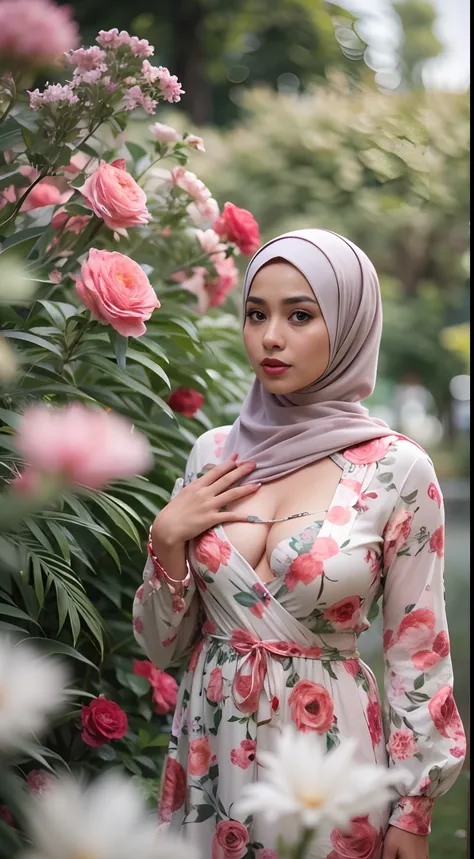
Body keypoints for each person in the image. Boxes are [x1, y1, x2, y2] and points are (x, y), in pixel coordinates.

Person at [133, 229, 466, 859]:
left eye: (300, 314)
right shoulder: (214, 453)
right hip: (211, 751)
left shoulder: (396, 470)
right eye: (256, 313)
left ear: (349, 325)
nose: (271, 337)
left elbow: (418, 650)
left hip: (329, 754)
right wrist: (166, 539)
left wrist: (414, 805)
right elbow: (161, 645)